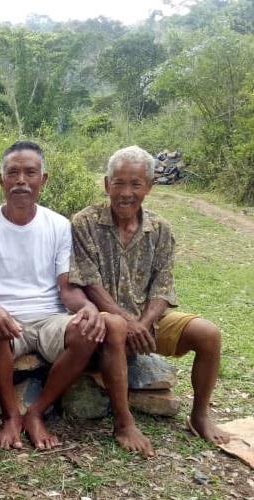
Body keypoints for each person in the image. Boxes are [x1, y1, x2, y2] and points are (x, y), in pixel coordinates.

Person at [0, 140, 154, 457]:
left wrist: (89, 309)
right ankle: (12, 416)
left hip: (51, 316)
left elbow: (67, 288)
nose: (21, 181)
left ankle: (36, 412)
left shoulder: (58, 225)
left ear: (44, 179)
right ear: (1, 179)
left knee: (87, 329)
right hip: (9, 316)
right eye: (13, 173)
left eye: (30, 172)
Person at [69, 145, 230, 446]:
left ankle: (200, 416)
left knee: (208, 334)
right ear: (107, 184)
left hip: (147, 322)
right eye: (118, 183)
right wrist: (127, 321)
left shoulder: (161, 230)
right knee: (115, 327)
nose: (125, 192)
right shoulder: (85, 222)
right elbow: (89, 283)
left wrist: (142, 323)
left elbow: (163, 287)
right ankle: (124, 423)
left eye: (136, 184)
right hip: (104, 321)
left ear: (150, 186)